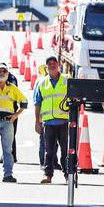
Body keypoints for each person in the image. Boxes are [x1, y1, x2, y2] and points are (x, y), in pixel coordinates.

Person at [34, 55, 69, 184]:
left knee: (66, 150)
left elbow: (74, 96)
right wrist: (37, 122)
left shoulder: (66, 79)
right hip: (48, 122)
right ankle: (47, 175)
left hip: (64, 121)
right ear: (46, 67)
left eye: (54, 63)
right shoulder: (42, 82)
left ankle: (68, 175)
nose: (52, 65)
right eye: (49, 64)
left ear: (58, 65)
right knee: (49, 151)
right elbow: (37, 103)